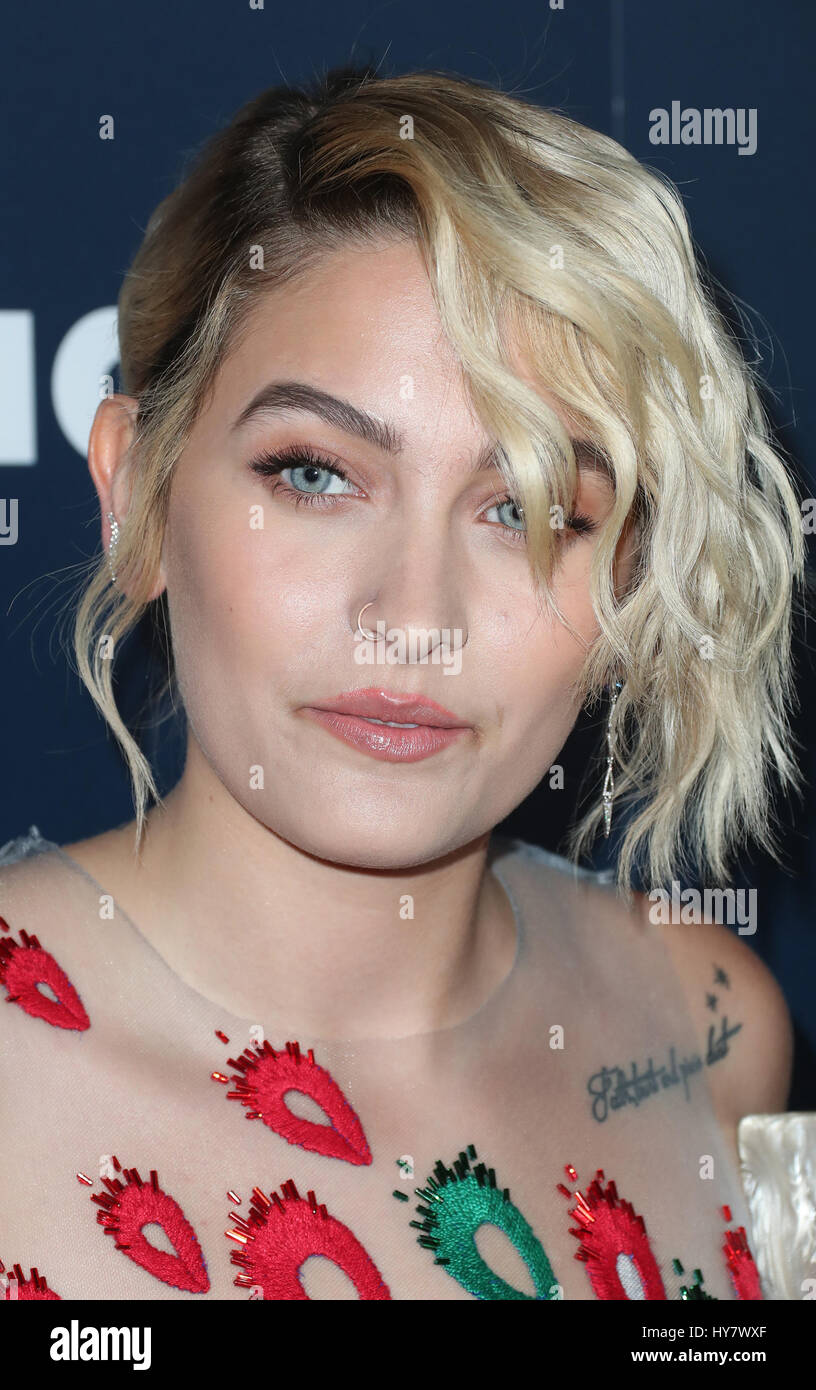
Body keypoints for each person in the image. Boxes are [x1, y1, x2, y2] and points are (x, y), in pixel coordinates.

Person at [0, 64, 811, 1302]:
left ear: (635, 577)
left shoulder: (715, 1031)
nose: (414, 620)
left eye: (528, 508)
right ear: (138, 499)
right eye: (316, 474)